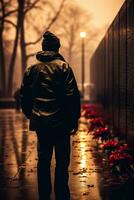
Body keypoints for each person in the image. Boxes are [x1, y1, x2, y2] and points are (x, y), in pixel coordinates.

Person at [20, 31, 80, 200]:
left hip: (41, 123)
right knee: (62, 162)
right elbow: (72, 96)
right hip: (61, 123)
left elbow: (24, 96)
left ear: (43, 48)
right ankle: (62, 195)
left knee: (43, 161)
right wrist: (73, 119)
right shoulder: (64, 67)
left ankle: (44, 195)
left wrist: (32, 115)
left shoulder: (31, 69)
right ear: (57, 48)